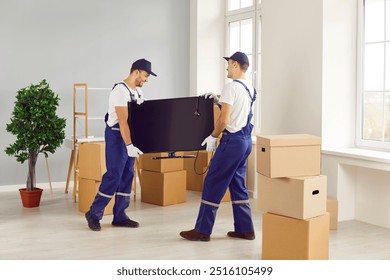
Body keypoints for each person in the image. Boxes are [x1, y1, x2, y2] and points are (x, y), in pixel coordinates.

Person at [180, 51, 257, 241]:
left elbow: (224, 120)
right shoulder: (250, 87)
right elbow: (238, 108)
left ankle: (202, 231)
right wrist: (218, 99)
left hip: (232, 142)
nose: (227, 67)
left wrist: (213, 136)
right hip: (246, 141)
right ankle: (245, 229)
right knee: (238, 184)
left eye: (229, 64)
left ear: (236, 65)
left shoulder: (231, 87)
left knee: (213, 182)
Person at [85, 58, 157, 231]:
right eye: (146, 75)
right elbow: (123, 123)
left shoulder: (138, 92)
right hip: (117, 136)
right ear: (136, 72)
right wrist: (129, 145)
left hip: (130, 137)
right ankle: (94, 213)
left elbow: (139, 120)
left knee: (127, 175)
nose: (146, 80)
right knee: (114, 175)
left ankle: (120, 216)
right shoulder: (120, 90)